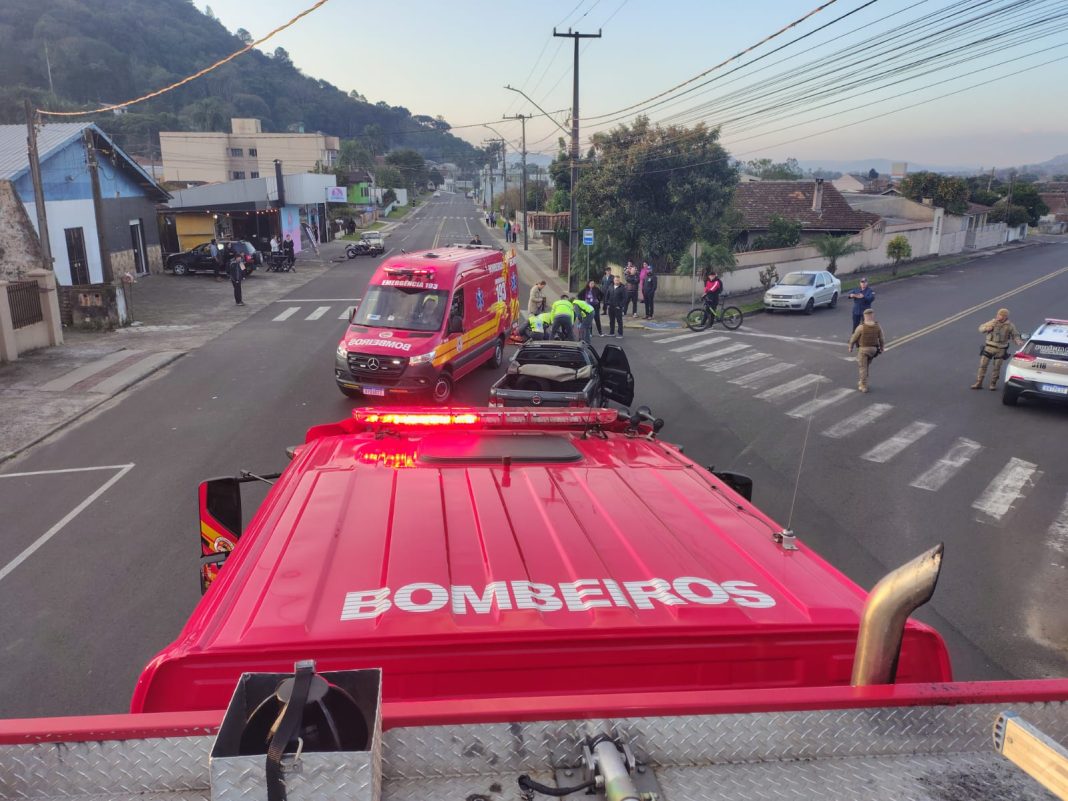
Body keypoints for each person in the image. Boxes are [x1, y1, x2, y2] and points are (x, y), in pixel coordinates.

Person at [972, 308, 1023, 390]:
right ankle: (979, 382)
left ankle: (993, 384)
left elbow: (1015, 335)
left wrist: (1018, 341)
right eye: (998, 314)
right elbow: (981, 328)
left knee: (997, 367)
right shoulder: (992, 322)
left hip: (1000, 349)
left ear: (1005, 316)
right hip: (989, 347)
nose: (998, 316)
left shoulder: (1010, 326)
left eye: (1000, 315)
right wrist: (987, 328)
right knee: (983, 365)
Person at [848, 308, 884, 393]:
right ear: (872, 316)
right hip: (873, 350)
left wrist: (850, 346)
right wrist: (882, 347)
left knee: (862, 367)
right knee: (866, 366)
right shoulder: (877, 326)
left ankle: (863, 385)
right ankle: (863, 381)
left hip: (863, 349)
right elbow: (882, 338)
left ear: (865, 316)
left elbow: (854, 337)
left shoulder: (861, 327)